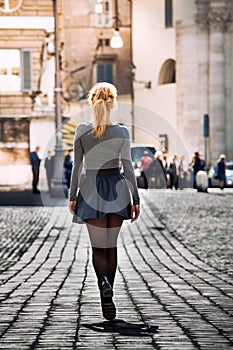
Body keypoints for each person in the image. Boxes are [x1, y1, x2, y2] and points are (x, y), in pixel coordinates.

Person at [69, 82, 140, 321]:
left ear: (92, 103)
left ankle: (103, 283)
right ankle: (109, 288)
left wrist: (72, 196)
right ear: (113, 104)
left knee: (98, 247)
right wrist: (135, 199)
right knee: (111, 246)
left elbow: (77, 167)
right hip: (117, 190)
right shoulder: (121, 132)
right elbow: (128, 167)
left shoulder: (81, 130)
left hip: (90, 189)